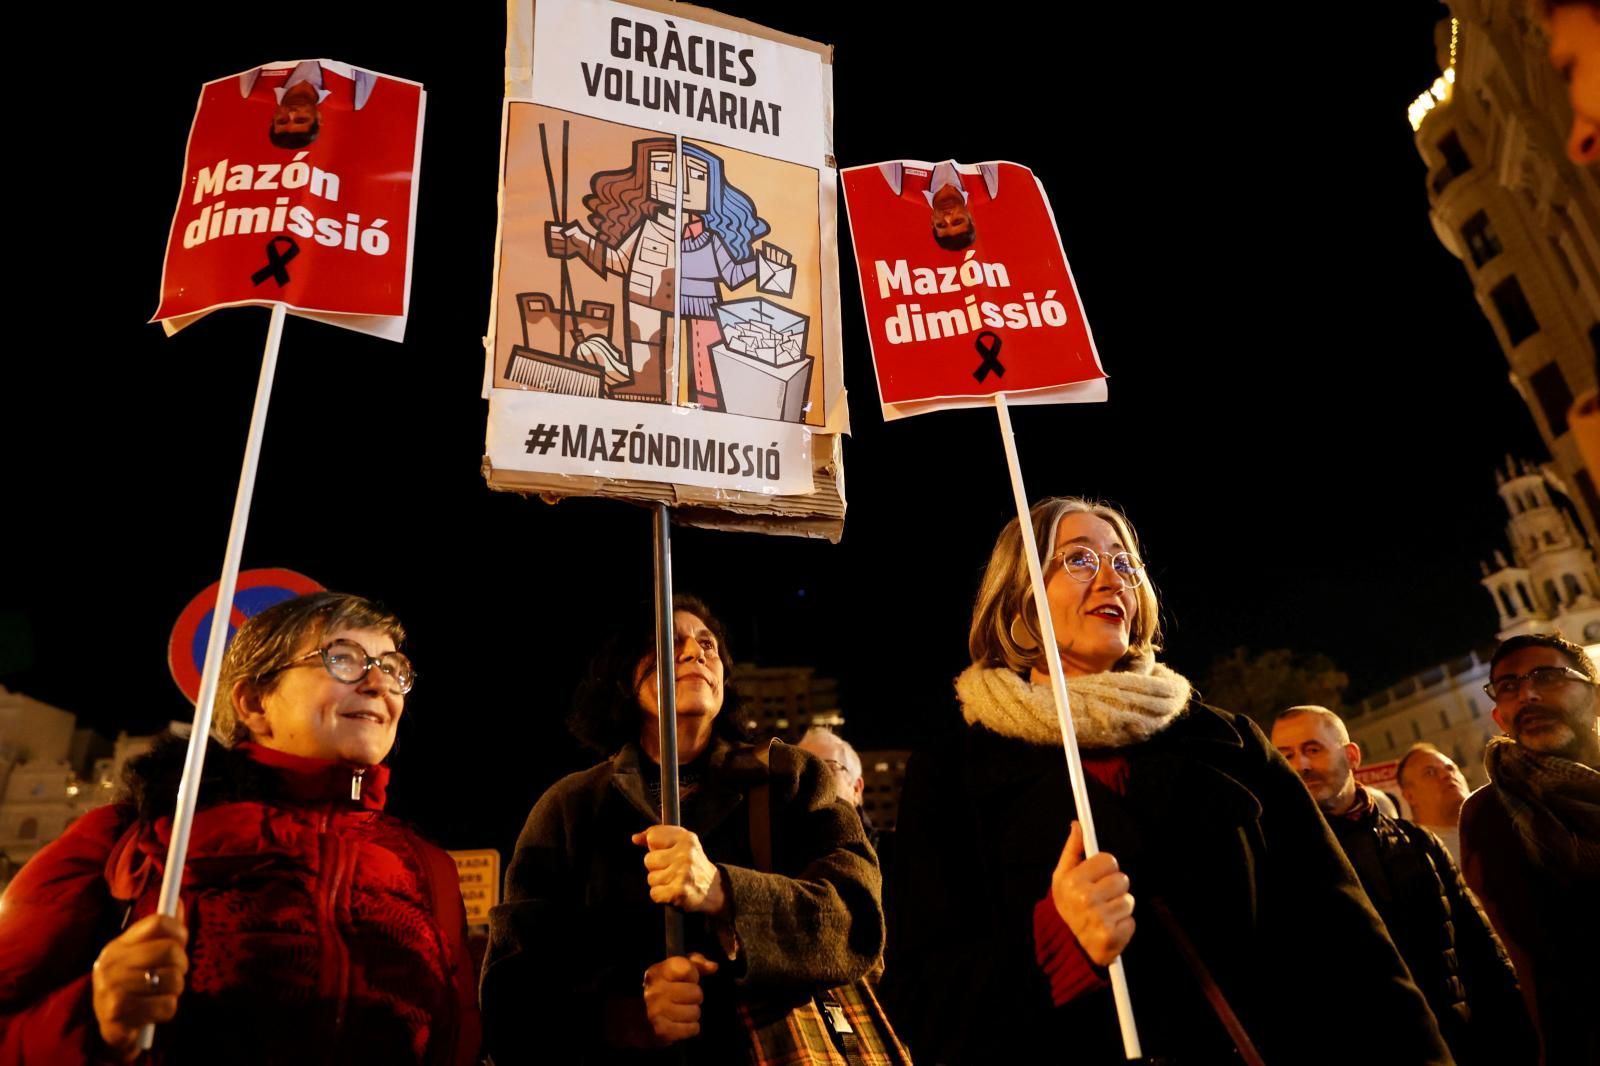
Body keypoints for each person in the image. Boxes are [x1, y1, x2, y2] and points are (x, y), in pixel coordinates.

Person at [883, 496, 1451, 1065]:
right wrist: (1058, 943)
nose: (1111, 578)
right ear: (1018, 600)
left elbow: (1352, 945)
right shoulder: (952, 774)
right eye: (1079, 560)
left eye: (1125, 564)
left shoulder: (1231, 743)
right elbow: (925, 1007)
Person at [0, 592, 481, 1065]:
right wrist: (92, 1020)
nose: (380, 684)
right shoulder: (134, 837)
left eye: (393, 668)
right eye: (343, 658)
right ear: (254, 702)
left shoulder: (428, 867)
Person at [480, 595, 884, 1065]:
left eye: (707, 644)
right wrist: (629, 1018)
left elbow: (858, 920)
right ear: (626, 675)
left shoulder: (790, 778)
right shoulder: (569, 808)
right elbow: (509, 998)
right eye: (670, 644)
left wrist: (725, 893)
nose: (695, 652)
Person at [1272, 707, 1535, 1066]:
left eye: (1313, 749)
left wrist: (1521, 1036)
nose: (1300, 765)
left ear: (1351, 755)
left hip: (1467, 1045)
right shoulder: (1278, 862)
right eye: (1285, 755)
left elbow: (1482, 951)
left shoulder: (1419, 844)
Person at [547, 138, 790, 409]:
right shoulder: (647, 229)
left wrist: (762, 266)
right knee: (645, 361)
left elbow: (732, 275)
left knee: (705, 370)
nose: (679, 184)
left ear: (712, 187)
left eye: (696, 175)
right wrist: (582, 243)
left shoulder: (709, 240)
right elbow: (619, 261)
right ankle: (643, 390)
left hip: (702, 308)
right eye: (663, 168)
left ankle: (710, 406)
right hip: (646, 302)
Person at [1461, 632, 1600, 1064]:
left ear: (1594, 697)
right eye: (1509, 686)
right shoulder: (1492, 812)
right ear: (1500, 717)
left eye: (1548, 676)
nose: (1528, 694)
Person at [798, 726, 880, 850]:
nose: (813, 783)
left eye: (827, 770)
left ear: (856, 789)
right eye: (801, 775)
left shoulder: (898, 854)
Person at [1397, 742, 1471, 862]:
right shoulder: (1410, 855)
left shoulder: (1499, 823)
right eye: (1430, 772)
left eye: (1450, 768)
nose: (1446, 775)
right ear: (1410, 796)